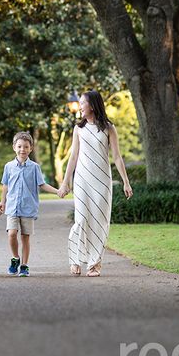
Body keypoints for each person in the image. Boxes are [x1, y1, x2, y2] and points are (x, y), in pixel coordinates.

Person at [58, 90, 133, 277]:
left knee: (99, 221)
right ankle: (75, 259)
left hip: (102, 180)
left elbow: (116, 156)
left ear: (92, 105)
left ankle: (94, 264)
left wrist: (126, 181)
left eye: (82, 103)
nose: (80, 106)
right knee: (81, 219)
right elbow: (73, 157)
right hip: (82, 179)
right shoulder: (78, 129)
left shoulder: (108, 128)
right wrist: (66, 182)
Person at [0, 131, 59, 277]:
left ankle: (24, 266)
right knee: (12, 234)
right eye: (19, 146)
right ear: (14, 147)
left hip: (28, 207)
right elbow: (5, 185)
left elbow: (42, 184)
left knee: (25, 237)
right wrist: (2, 201)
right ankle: (15, 258)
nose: (22, 149)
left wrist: (57, 191)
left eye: (26, 147)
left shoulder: (34, 167)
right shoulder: (8, 166)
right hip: (12, 207)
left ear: (31, 148)